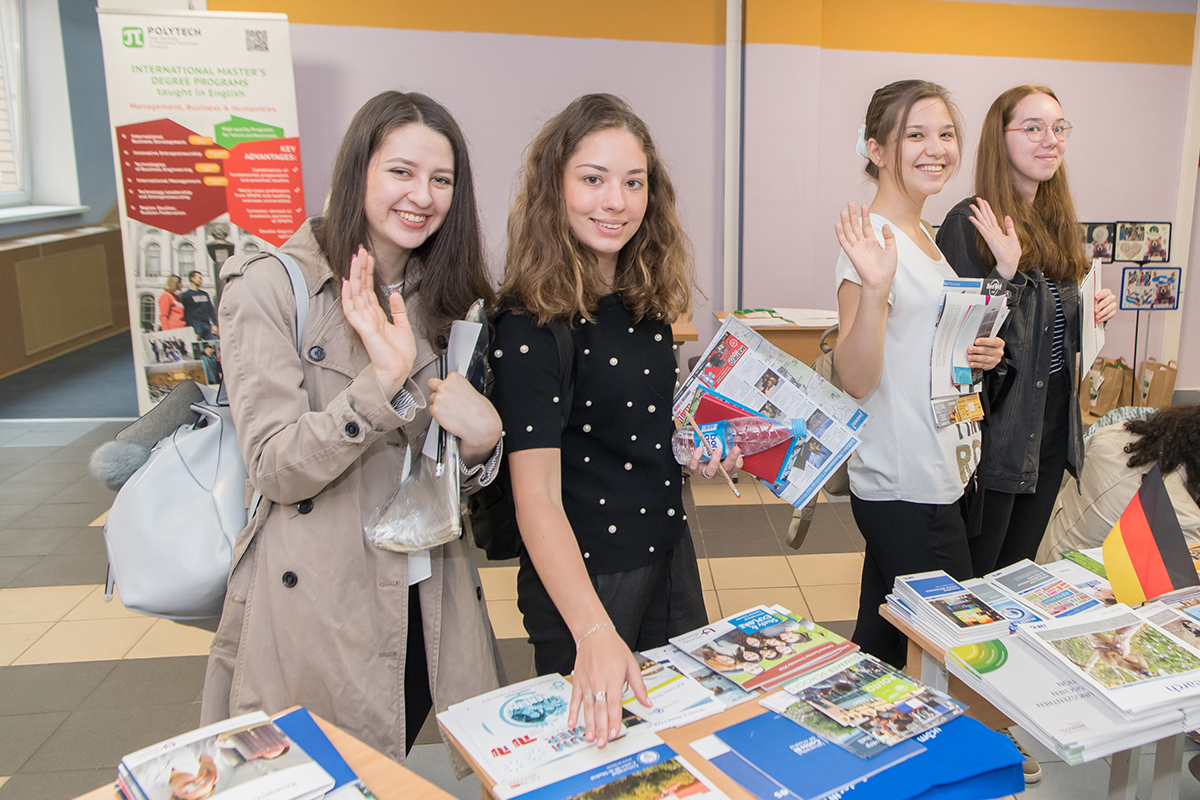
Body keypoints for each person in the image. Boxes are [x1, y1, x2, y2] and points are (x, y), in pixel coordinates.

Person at [200, 91, 504, 770]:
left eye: (441, 179)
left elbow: (447, 464)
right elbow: (275, 466)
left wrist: (485, 444)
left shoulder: (448, 295)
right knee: (327, 775)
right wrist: (379, 385)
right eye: (401, 171)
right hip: (323, 603)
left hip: (431, 595)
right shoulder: (268, 288)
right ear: (358, 170)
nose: (422, 196)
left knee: (396, 768)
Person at [489, 94, 738, 747]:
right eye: (593, 179)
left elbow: (631, 430)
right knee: (598, 764)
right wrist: (592, 629)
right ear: (554, 188)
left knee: (682, 745)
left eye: (633, 182)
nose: (617, 201)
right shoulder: (529, 323)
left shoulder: (643, 302)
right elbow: (534, 496)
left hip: (667, 557)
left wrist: (693, 445)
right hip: (588, 579)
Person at [832, 80, 1005, 670]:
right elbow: (855, 377)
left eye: (946, 134)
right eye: (915, 135)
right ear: (877, 148)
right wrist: (876, 288)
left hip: (934, 468)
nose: (937, 148)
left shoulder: (924, 238)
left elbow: (925, 351)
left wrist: (974, 351)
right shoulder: (872, 242)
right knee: (958, 646)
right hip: (906, 482)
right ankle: (975, 753)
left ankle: (854, 740)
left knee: (879, 641)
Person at [937, 85, 1118, 575]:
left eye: (1059, 128)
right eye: (1034, 128)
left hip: (1053, 426)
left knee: (1015, 575)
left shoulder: (1055, 220)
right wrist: (1006, 274)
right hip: (998, 431)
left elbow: (1046, 329)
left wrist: (1090, 310)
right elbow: (956, 344)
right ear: (1002, 138)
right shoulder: (969, 222)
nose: (1050, 140)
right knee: (974, 580)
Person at [1036, 404, 1200, 562]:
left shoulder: (1114, 433)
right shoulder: (1184, 518)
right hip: (1085, 579)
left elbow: (1064, 478)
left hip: (1042, 548)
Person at [181, 270, 219, 339]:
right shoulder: (187, 295)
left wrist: (214, 324)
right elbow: (187, 312)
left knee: (215, 342)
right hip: (195, 324)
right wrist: (190, 327)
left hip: (207, 323)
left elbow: (210, 309)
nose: (201, 280)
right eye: (199, 278)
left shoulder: (204, 294)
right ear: (192, 279)